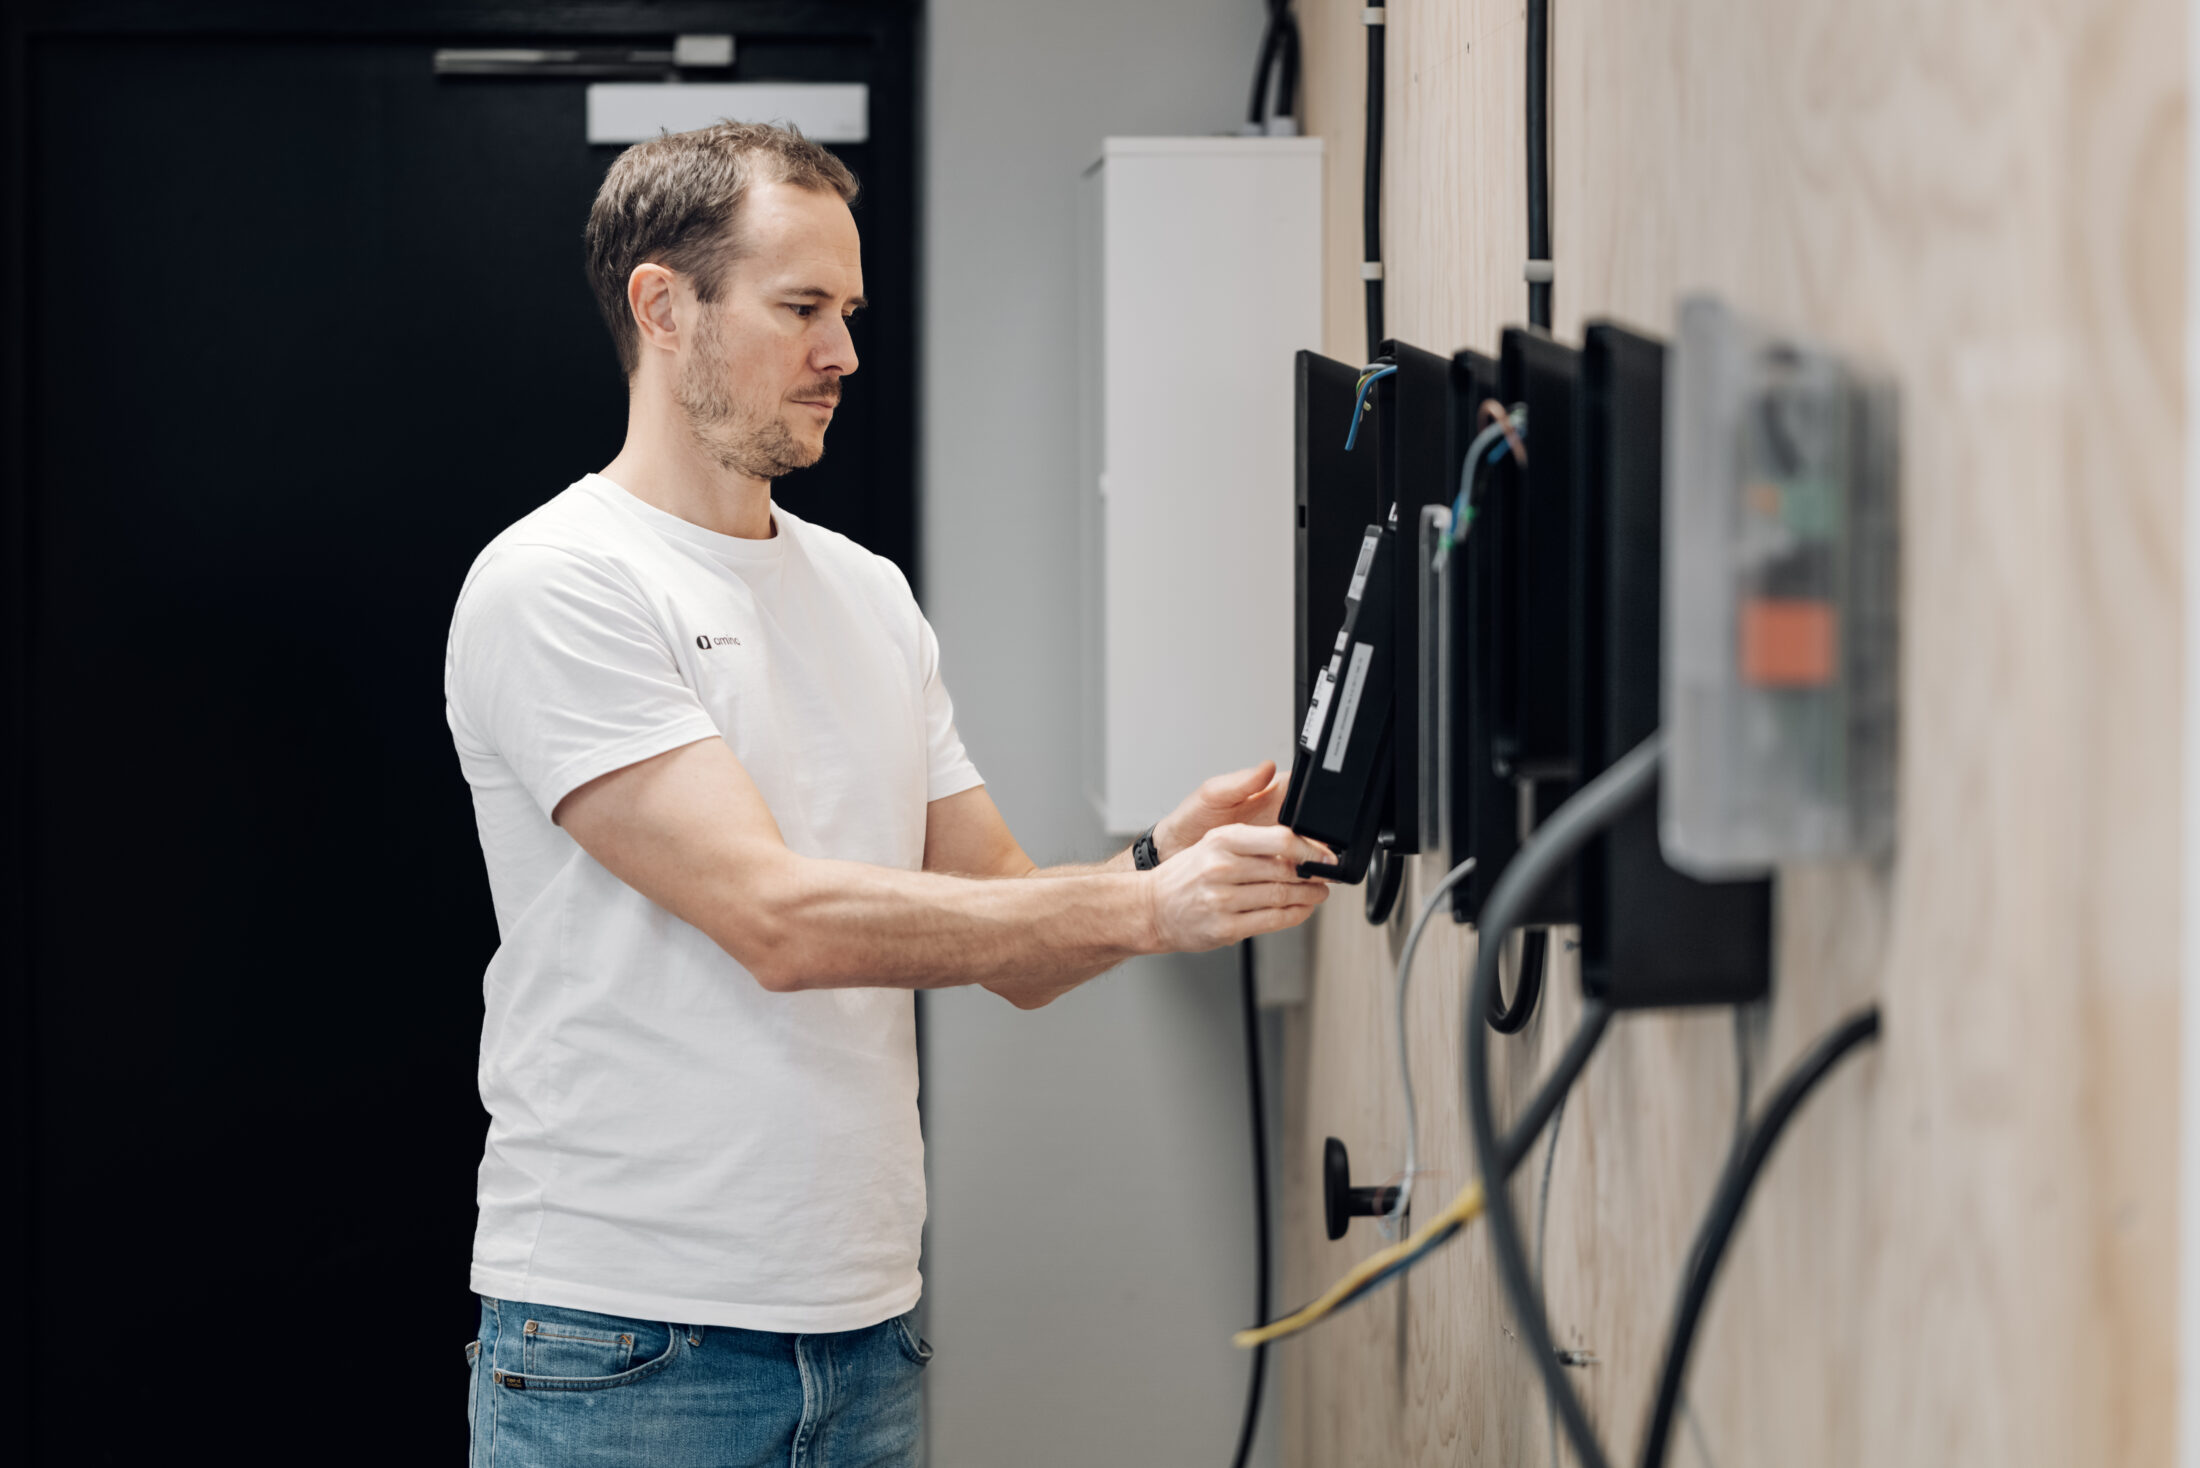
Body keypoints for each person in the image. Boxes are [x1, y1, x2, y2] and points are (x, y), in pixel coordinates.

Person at [444, 120, 1330, 1467]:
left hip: (869, 1333)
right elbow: (779, 922)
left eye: (848, 311)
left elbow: (1010, 933)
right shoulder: (561, 583)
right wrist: (1149, 911)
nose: (845, 351)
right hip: (626, 1345)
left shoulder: (868, 595)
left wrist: (1150, 863)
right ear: (663, 307)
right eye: (801, 307)